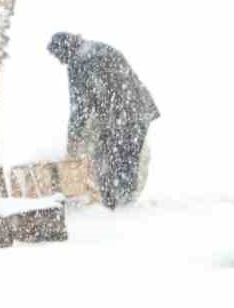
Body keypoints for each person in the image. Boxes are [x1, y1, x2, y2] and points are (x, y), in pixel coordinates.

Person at [46, 32, 160, 209]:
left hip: (122, 116)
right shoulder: (99, 48)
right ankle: (120, 200)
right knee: (127, 158)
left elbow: (80, 107)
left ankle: (114, 204)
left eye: (59, 57)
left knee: (109, 157)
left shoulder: (78, 61)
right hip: (138, 109)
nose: (61, 62)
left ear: (65, 51)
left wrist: (73, 141)